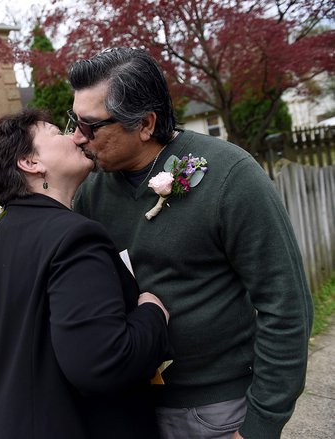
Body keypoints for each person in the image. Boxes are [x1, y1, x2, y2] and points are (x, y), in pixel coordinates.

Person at [68, 47, 314, 439]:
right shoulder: (89, 193)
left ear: (146, 124)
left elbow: (286, 306)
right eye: (74, 121)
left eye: (91, 126)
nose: (77, 138)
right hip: (128, 412)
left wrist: (260, 425)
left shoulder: (230, 177)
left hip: (216, 413)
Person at [0, 108, 173, 438]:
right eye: (56, 131)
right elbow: (103, 363)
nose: (76, 136)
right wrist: (153, 313)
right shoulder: (74, 237)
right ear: (31, 163)